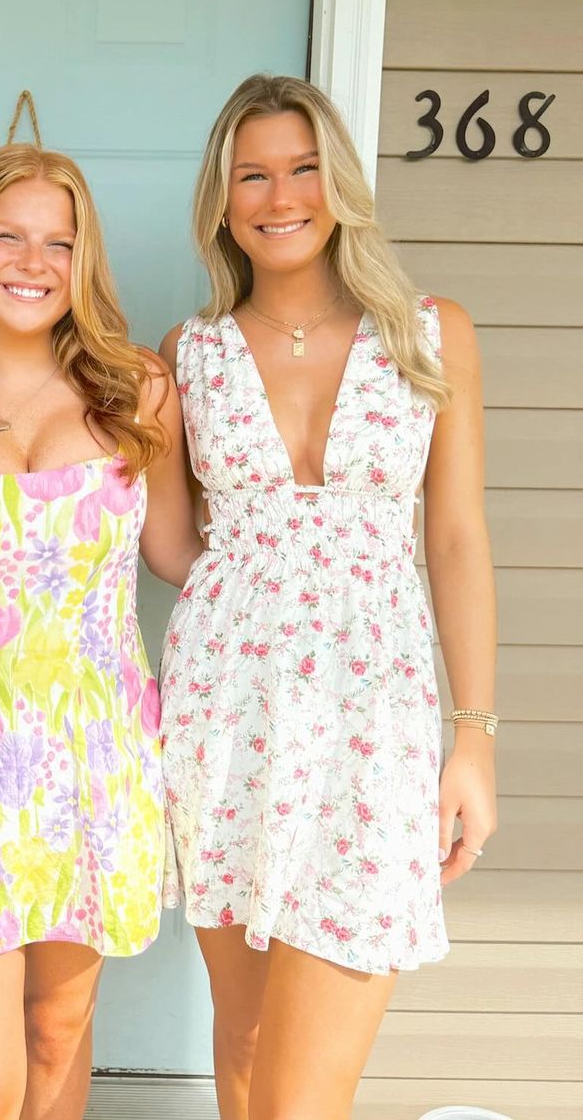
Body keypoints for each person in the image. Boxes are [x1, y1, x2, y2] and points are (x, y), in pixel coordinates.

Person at [158, 74, 498, 1119]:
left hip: (374, 719)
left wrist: (474, 737)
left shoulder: (430, 333)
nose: (281, 196)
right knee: (248, 1041)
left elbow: (456, 540)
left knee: (305, 1093)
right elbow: (173, 549)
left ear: (339, 183)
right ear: (222, 200)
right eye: (252, 175)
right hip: (225, 714)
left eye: (303, 169)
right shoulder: (188, 355)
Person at [0, 139, 203, 1120]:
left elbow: (181, 555)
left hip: (95, 764)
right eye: (8, 237)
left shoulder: (140, 393)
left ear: (81, 261)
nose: (34, 262)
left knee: (58, 1034)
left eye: (59, 243)